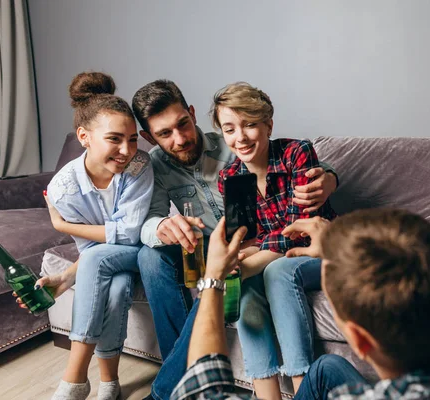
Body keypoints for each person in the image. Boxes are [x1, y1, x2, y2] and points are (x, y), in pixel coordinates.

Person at [170, 209, 430, 400]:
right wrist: (337, 248)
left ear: (358, 340)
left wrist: (214, 277)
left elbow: (202, 390)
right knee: (324, 367)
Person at [131, 80, 338, 400]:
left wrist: (330, 178)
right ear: (149, 137)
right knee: (150, 256)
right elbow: (145, 221)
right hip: (216, 246)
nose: (180, 138)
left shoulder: (233, 148)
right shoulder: (158, 165)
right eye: (164, 133)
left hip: (252, 246)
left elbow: (297, 167)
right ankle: (185, 376)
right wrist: (161, 226)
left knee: (233, 283)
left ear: (192, 113)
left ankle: (169, 390)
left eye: (183, 124)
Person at [17, 72, 154, 400]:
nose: (127, 149)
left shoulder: (138, 165)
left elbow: (131, 235)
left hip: (148, 249)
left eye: (133, 139)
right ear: (84, 136)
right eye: (115, 139)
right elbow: (96, 249)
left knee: (103, 258)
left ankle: (73, 379)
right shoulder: (63, 190)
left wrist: (63, 229)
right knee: (118, 287)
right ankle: (109, 383)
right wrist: (69, 275)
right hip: (107, 259)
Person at [213, 82, 336, 399]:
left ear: (268, 124)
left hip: (323, 253)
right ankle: (266, 393)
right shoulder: (230, 178)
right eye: (229, 129)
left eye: (250, 125)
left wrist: (246, 264)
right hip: (271, 258)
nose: (240, 137)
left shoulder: (297, 153)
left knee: (276, 271)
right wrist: (239, 264)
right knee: (242, 287)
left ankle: (303, 390)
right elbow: (245, 241)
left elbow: (300, 232)